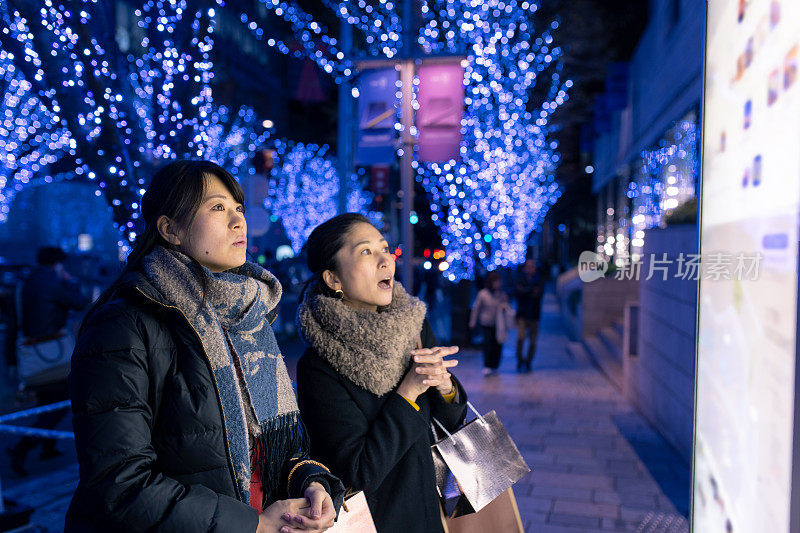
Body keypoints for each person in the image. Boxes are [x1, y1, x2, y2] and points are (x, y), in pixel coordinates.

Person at [65, 160, 343, 532]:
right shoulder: (125, 324)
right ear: (170, 229)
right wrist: (252, 525)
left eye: (238, 208)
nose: (237, 221)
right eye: (217, 208)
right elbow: (120, 482)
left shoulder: (248, 316)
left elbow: (273, 447)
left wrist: (310, 482)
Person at [295, 214, 468, 533]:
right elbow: (358, 472)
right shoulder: (319, 365)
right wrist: (408, 393)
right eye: (365, 251)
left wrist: (444, 386)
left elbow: (450, 421)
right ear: (334, 279)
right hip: (376, 523)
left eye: (385, 248)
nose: (385, 259)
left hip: (431, 515)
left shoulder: (413, 327)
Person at [7, 246, 89, 476]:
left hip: (33, 357)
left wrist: (11, 360)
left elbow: (14, 324)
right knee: (60, 405)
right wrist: (70, 281)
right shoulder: (53, 283)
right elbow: (80, 302)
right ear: (57, 263)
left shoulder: (23, 284)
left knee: (47, 403)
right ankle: (22, 449)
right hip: (55, 357)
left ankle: (48, 447)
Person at [469, 271, 512, 375]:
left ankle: (495, 365)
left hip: (498, 324)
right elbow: (476, 308)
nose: (497, 284)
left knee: (497, 344)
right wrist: (473, 321)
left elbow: (507, 307)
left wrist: (504, 307)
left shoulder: (502, 294)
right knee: (487, 344)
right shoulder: (483, 294)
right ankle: (487, 365)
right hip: (486, 322)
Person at [514, 259, 544, 372]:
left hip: (534, 315)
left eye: (532, 266)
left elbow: (538, 294)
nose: (530, 268)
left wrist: (525, 291)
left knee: (532, 342)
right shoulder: (520, 279)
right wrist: (530, 291)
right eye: (528, 266)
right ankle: (520, 359)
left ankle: (528, 361)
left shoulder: (539, 280)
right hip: (522, 314)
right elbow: (518, 293)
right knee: (520, 338)